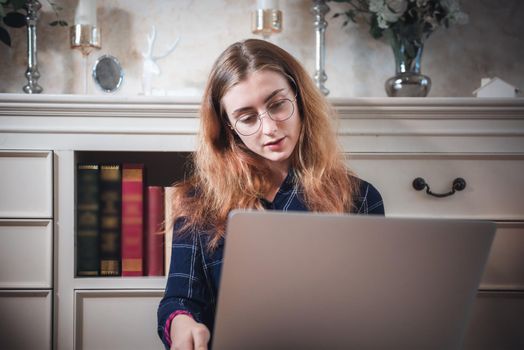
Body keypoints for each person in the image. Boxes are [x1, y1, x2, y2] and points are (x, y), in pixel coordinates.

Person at [157, 38, 385, 350]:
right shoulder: (199, 202)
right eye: (247, 117)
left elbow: (375, 311)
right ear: (228, 128)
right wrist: (182, 323)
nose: (269, 128)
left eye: (277, 104)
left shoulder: (361, 198)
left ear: (299, 99)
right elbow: (179, 299)